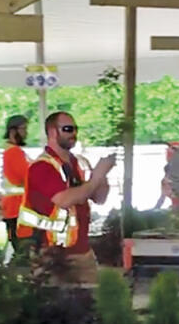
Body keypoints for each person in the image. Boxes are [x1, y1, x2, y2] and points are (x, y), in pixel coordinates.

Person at [18, 111, 115, 285]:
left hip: (82, 252)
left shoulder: (76, 163)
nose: (74, 134)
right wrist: (94, 179)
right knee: (56, 306)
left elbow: (99, 198)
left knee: (90, 304)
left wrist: (101, 176)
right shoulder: (42, 166)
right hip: (52, 253)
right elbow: (64, 200)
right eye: (68, 129)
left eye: (75, 129)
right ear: (53, 132)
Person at [0, 113, 32, 247]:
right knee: (24, 248)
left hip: (13, 207)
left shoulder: (10, 151)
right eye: (23, 129)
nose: (26, 133)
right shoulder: (14, 152)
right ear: (13, 131)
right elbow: (24, 178)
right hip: (18, 207)